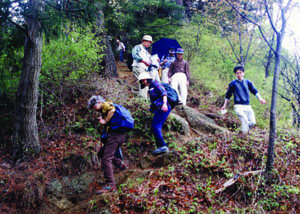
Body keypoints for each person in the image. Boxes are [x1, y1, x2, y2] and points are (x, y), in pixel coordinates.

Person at [87, 95, 128, 194]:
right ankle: (121, 164)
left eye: (94, 106)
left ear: (99, 102)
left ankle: (111, 185)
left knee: (106, 159)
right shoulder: (103, 110)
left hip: (115, 136)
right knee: (101, 153)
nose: (94, 109)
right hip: (117, 136)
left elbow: (112, 110)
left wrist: (105, 121)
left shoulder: (105, 105)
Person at [221, 65, 266, 135]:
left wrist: (260, 99)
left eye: (240, 72)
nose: (239, 74)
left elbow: (254, 91)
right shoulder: (232, 84)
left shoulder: (248, 82)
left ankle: (241, 132)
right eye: (237, 73)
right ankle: (244, 136)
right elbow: (228, 95)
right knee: (245, 120)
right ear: (235, 74)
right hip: (238, 106)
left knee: (253, 122)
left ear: (243, 73)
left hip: (247, 106)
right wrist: (224, 105)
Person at [138, 72, 171, 155]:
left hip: (163, 107)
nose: (143, 82)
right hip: (159, 109)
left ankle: (163, 146)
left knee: (156, 126)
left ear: (147, 79)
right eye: (142, 81)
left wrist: (164, 104)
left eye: (144, 80)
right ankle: (161, 146)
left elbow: (164, 93)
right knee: (155, 126)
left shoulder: (155, 83)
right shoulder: (150, 87)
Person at [132, 35, 153, 99]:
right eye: (148, 42)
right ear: (144, 41)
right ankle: (142, 99)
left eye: (150, 42)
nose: (149, 44)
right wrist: (143, 61)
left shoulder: (146, 51)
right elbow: (134, 55)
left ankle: (142, 99)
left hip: (144, 69)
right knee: (144, 82)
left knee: (144, 83)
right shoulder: (138, 47)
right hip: (138, 67)